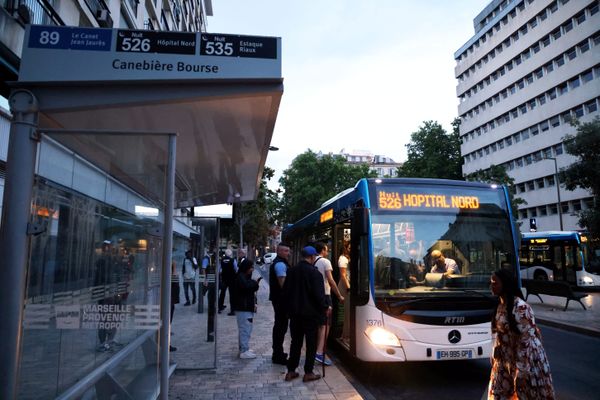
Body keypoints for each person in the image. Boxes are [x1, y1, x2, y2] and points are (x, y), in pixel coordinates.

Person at [488, 268, 555, 400]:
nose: (491, 286)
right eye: (491, 282)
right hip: (505, 358)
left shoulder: (521, 307)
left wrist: (522, 372)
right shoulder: (500, 305)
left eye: (495, 283)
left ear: (505, 284)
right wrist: (494, 352)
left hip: (526, 361)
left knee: (526, 394)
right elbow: (498, 333)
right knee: (499, 394)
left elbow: (525, 343)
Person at [283, 246, 329, 383]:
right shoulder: (315, 274)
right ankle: (308, 372)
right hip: (310, 315)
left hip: (295, 314)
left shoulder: (291, 271)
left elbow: (285, 292)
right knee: (311, 343)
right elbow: (319, 296)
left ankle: (291, 371)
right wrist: (326, 307)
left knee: (295, 342)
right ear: (313, 257)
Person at [313, 242, 344, 366]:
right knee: (325, 324)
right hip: (325, 296)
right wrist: (339, 295)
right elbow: (330, 280)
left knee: (319, 324)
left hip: (314, 296)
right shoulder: (325, 262)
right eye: (326, 250)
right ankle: (319, 352)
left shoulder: (312, 261)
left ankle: (316, 350)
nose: (327, 252)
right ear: (323, 250)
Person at [232, 259, 262, 359]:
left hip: (245, 307)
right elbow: (246, 287)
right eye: (251, 267)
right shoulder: (240, 277)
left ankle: (244, 348)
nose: (252, 270)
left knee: (245, 329)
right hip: (243, 308)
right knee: (245, 329)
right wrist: (255, 283)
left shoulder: (242, 276)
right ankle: (244, 350)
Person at [269, 242, 291, 365]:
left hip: (278, 300)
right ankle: (277, 355)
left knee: (280, 327)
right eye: (285, 251)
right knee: (280, 327)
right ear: (279, 251)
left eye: (288, 251)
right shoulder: (280, 265)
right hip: (281, 301)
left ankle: (278, 353)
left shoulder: (280, 263)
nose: (288, 253)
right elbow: (283, 284)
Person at [338, 241, 351, 342]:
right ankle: (345, 336)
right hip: (345, 286)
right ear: (345, 248)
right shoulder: (343, 258)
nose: (350, 249)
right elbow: (343, 276)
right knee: (347, 312)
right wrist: (348, 288)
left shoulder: (349, 257)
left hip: (349, 285)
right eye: (349, 247)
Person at [218, 249, 237, 315]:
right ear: (230, 254)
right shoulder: (233, 260)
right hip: (232, 279)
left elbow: (219, 270)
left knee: (222, 293)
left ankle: (220, 307)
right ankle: (232, 310)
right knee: (232, 295)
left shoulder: (222, 260)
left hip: (224, 279)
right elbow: (236, 269)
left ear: (225, 254)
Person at [169, 260, 179, 352]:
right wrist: (174, 268)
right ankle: (166, 343)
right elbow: (175, 281)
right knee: (167, 323)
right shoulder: (171, 275)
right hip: (168, 300)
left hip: (170, 300)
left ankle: (166, 342)